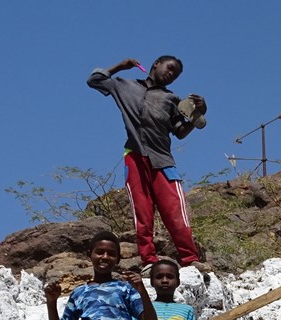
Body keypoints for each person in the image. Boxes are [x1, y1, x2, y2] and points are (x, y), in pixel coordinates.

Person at [88, 55, 206, 267]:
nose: (171, 75)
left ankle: (190, 259)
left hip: (163, 161)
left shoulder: (171, 99)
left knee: (175, 212)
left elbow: (180, 131)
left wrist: (198, 114)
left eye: (175, 75)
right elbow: (94, 79)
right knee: (142, 213)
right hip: (135, 156)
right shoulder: (125, 86)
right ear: (155, 65)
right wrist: (119, 66)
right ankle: (149, 260)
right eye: (169, 68)